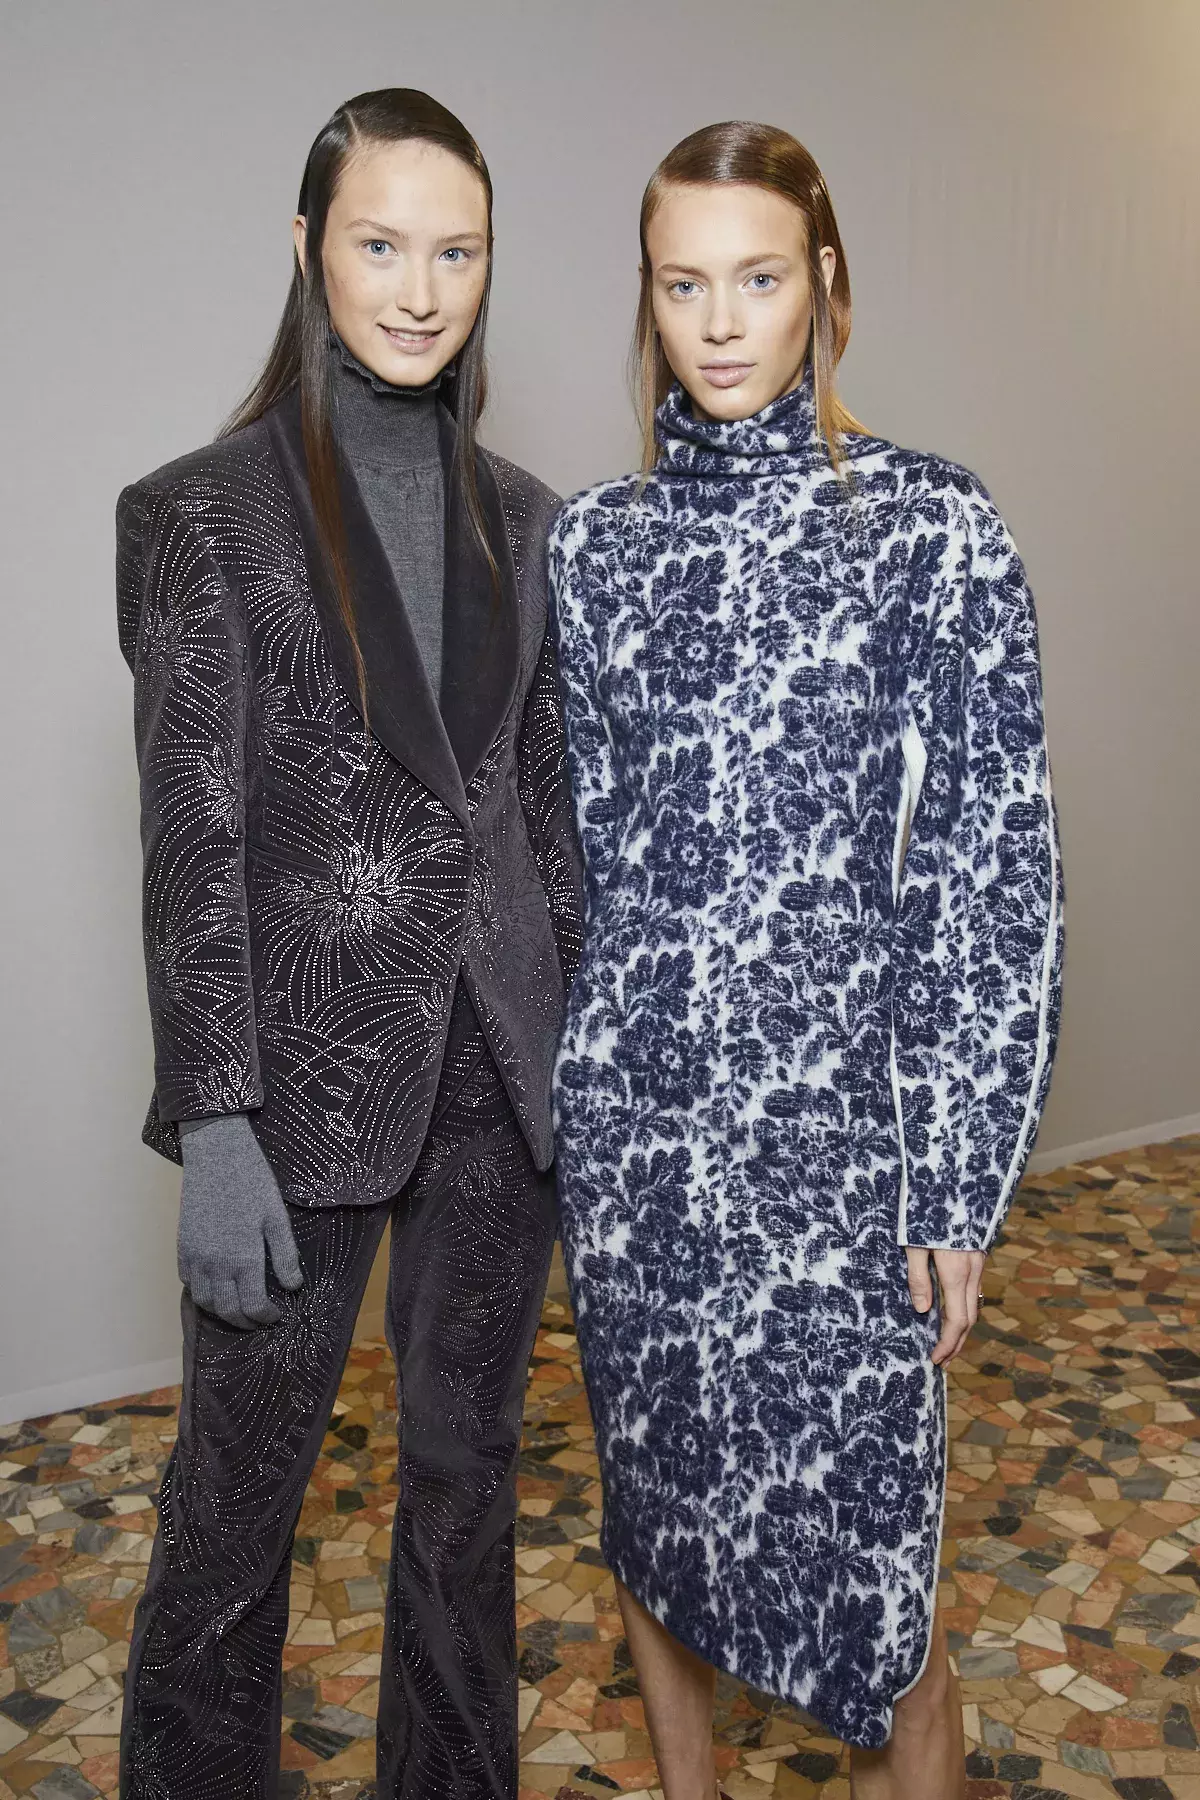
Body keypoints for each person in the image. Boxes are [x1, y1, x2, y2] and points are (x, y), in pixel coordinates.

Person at [548, 121, 1063, 1800]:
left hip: (847, 1162)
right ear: (647, 297)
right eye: (681, 284)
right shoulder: (595, 548)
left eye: (757, 279)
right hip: (645, 1160)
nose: (718, 322)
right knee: (657, 1527)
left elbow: (993, 871)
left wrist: (957, 1183)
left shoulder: (932, 528)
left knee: (886, 1596)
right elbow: (583, 865)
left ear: (824, 285)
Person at [116, 87, 581, 1800]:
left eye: (458, 252)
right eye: (382, 244)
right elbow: (192, 836)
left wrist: (582, 1072)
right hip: (292, 1098)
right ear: (308, 246)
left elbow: (546, 824)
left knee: (468, 1502)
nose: (420, 288)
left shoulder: (531, 520)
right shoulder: (199, 514)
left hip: (500, 1092)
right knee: (233, 1527)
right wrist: (217, 1122)